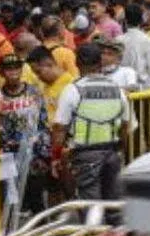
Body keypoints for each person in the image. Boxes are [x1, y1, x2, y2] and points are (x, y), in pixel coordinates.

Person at [54, 42, 132, 202]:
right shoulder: (118, 90)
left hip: (85, 157)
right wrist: (121, 150)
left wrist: (57, 156)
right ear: (100, 62)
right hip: (112, 153)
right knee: (113, 204)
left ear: (77, 63)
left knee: (90, 207)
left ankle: (96, 227)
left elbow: (59, 129)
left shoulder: (73, 90)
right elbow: (125, 126)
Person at [0, 52, 47, 222]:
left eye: (16, 68)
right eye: (8, 69)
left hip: (33, 155)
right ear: (2, 72)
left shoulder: (33, 92)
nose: (13, 72)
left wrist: (43, 153)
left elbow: (43, 122)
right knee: (13, 201)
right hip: (9, 157)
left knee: (37, 201)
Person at [120, 3, 150, 89]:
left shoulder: (118, 40)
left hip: (124, 87)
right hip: (143, 89)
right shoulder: (147, 40)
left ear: (125, 20)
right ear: (141, 20)